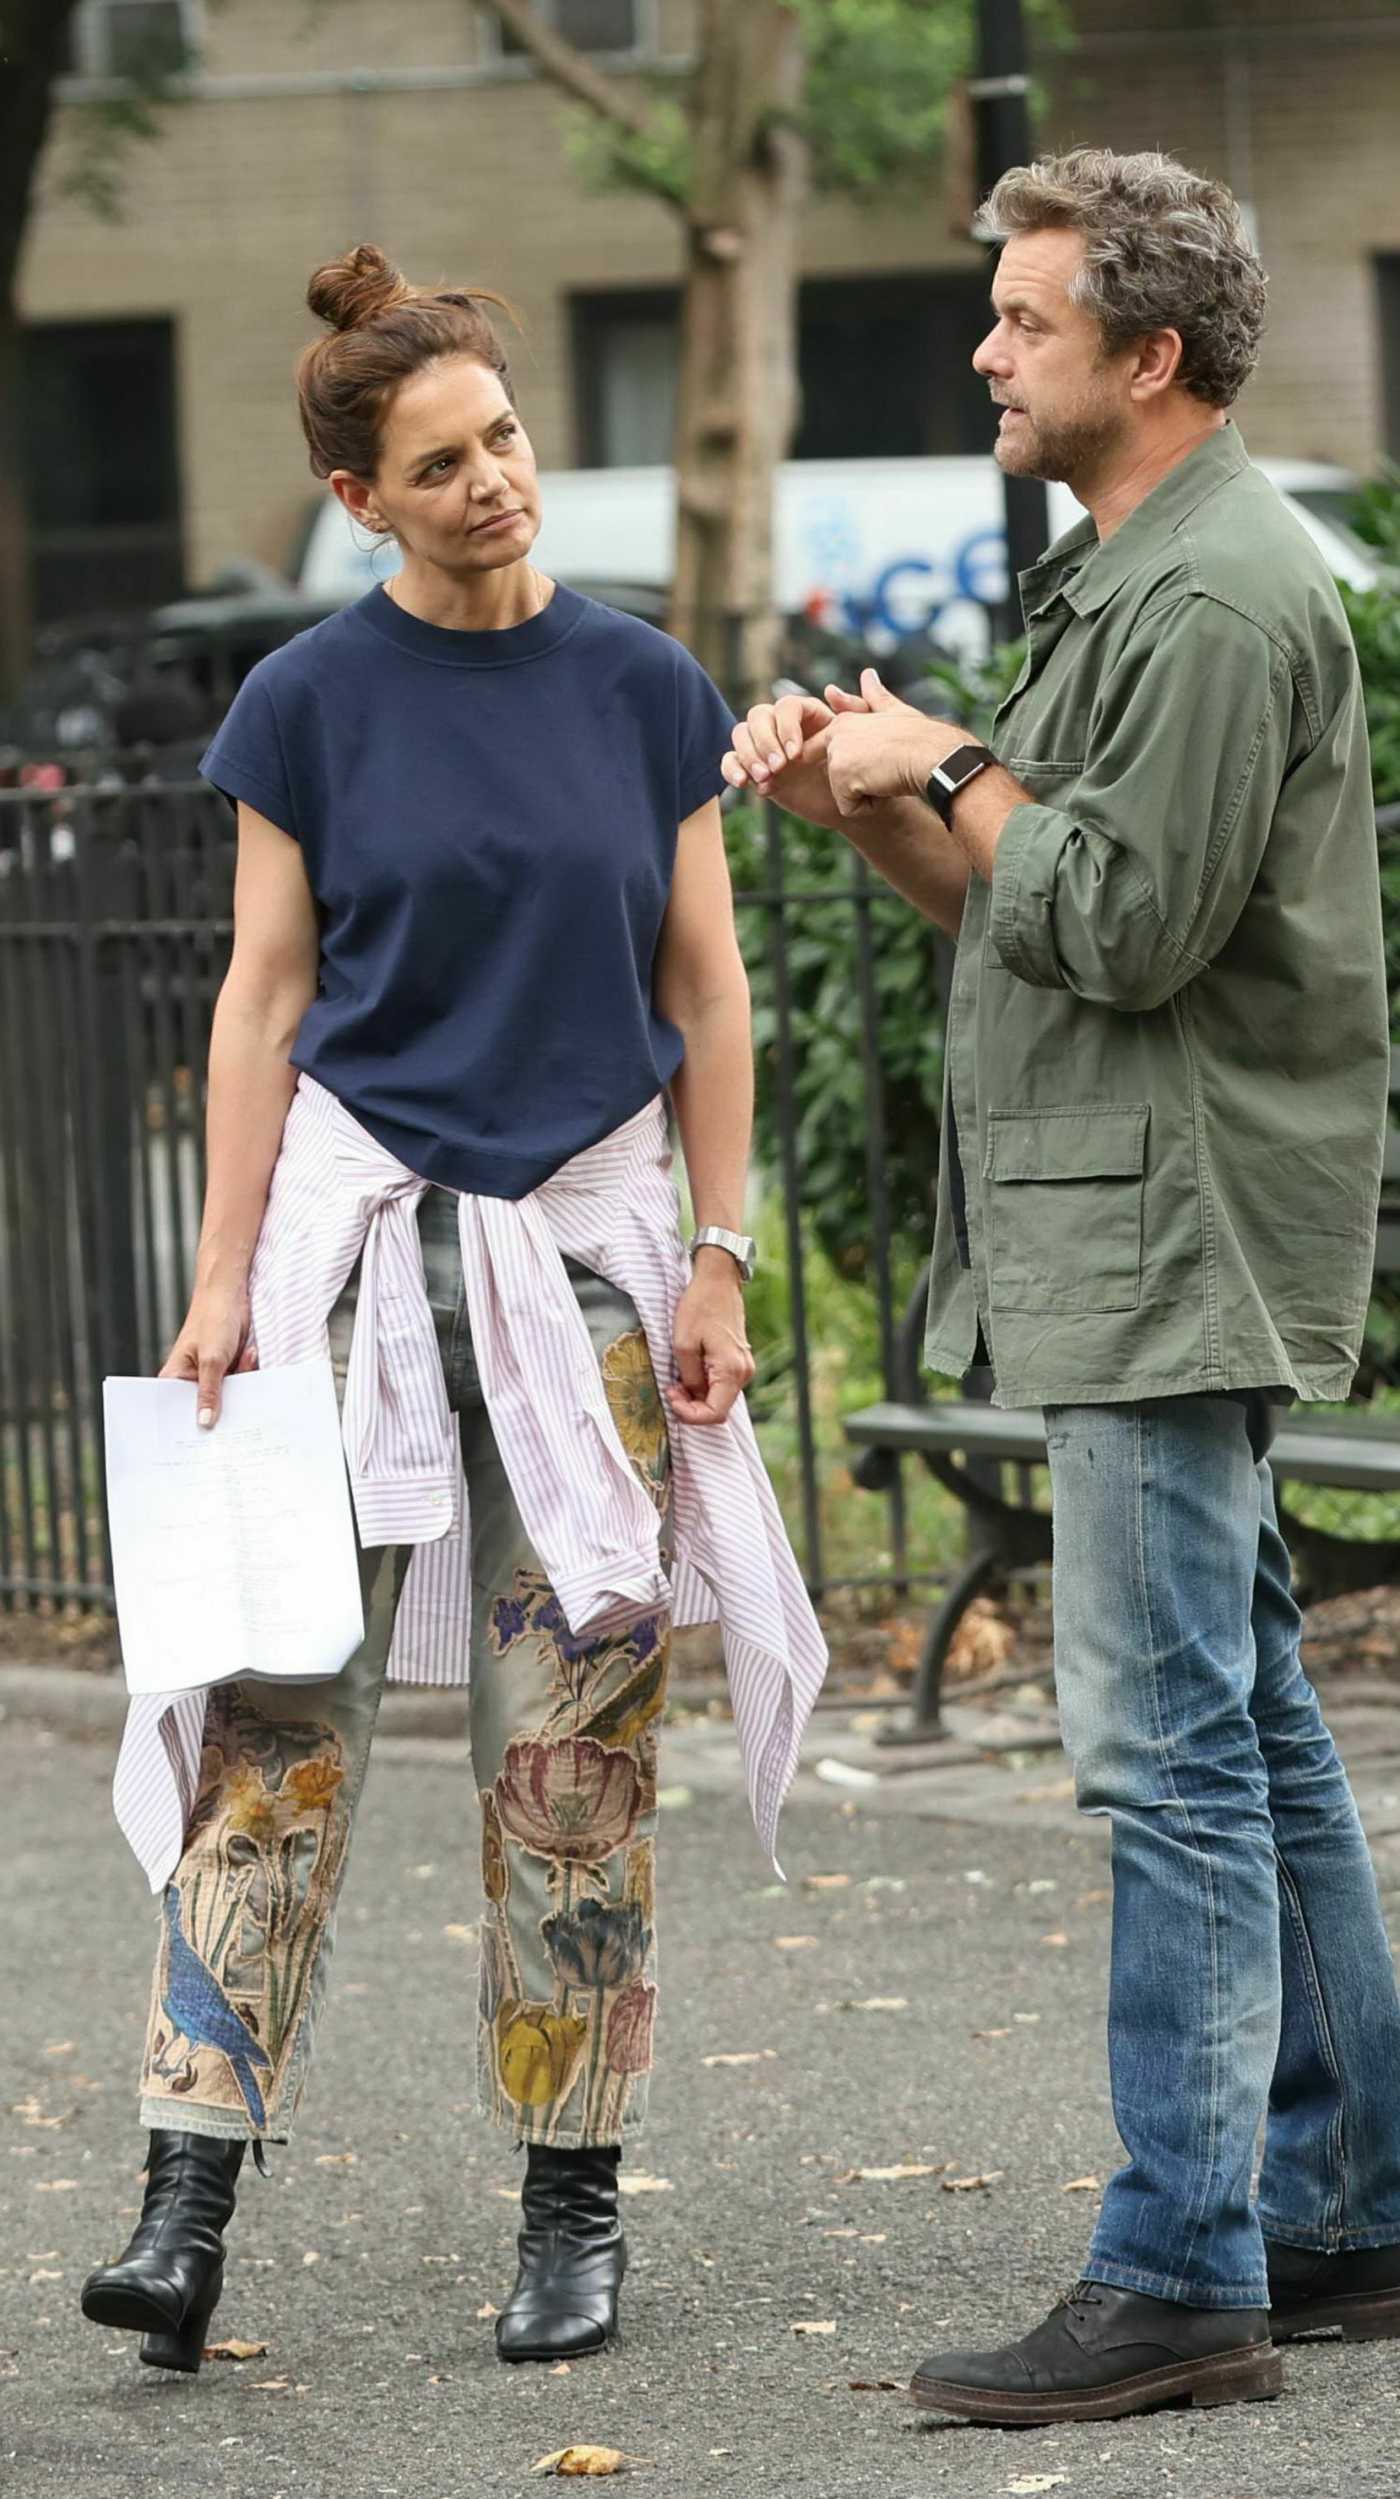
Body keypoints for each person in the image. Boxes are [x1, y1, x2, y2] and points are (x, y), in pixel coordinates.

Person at [81, 243, 826, 2378]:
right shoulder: (303, 703)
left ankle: (570, 2208)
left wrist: (717, 1250)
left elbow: (705, 985)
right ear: (361, 498)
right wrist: (222, 1274)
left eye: (503, 437)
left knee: (571, 1761)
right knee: (277, 1740)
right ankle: (183, 2200)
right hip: (352, 1276)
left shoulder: (646, 686)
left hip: (584, 1275)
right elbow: (265, 992)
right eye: (442, 461)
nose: (495, 479)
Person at [723, 147, 1400, 2426]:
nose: (989, 351)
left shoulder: (1216, 599)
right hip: (1135, 1207)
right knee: (1254, 1724)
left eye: (1024, 320)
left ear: (1149, 351)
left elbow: (1118, 922)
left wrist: (962, 756)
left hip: (1172, 1230)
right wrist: (880, 800)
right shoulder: (1133, 578)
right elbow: (1041, 911)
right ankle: (1347, 2205)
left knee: (1174, 1754)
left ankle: (1184, 2261)